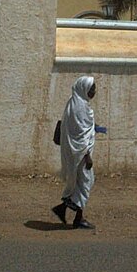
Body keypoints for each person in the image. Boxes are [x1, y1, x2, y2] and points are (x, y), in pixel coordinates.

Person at [52, 75, 97, 229]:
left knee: (80, 182)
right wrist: (87, 156)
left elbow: (80, 129)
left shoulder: (73, 104)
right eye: (91, 88)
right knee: (85, 182)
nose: (94, 91)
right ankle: (76, 216)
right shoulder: (81, 108)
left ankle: (67, 211)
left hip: (74, 152)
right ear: (84, 89)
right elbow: (80, 137)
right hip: (80, 154)